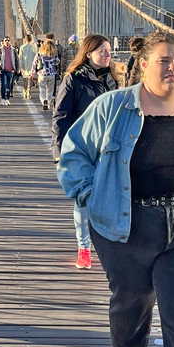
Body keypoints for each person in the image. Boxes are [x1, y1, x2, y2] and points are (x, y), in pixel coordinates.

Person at [57, 31, 174, 347]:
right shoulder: (112, 106)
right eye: (164, 61)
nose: (173, 68)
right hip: (127, 224)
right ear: (143, 64)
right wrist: (90, 196)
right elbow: (74, 155)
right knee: (132, 300)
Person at [52, 34, 118, 270]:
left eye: (109, 50)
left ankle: (107, 246)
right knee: (83, 199)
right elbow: (61, 117)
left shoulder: (113, 79)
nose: (107, 54)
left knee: (112, 199)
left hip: (111, 149)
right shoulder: (73, 79)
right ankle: (84, 248)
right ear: (88, 53)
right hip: (82, 149)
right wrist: (59, 152)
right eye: (102, 50)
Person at [30, 39, 60, 110]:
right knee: (50, 90)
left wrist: (32, 73)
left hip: (42, 74)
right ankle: (49, 103)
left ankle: (44, 100)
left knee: (42, 89)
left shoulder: (39, 54)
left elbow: (34, 64)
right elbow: (57, 62)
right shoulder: (53, 55)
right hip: (52, 74)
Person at [0, 37, 19, 105]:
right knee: (4, 85)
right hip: (3, 70)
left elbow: (17, 60)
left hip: (11, 70)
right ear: (3, 41)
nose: (7, 42)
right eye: (6, 40)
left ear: (10, 41)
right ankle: (2, 99)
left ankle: (7, 99)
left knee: (9, 85)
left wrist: (17, 68)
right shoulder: (0, 50)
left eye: (8, 40)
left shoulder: (13, 50)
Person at [18, 34, 38, 99]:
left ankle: (25, 91)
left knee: (25, 79)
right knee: (30, 78)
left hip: (25, 65)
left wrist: (20, 67)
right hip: (32, 65)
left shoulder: (22, 47)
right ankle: (29, 91)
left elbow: (20, 58)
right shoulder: (34, 47)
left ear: (25, 39)